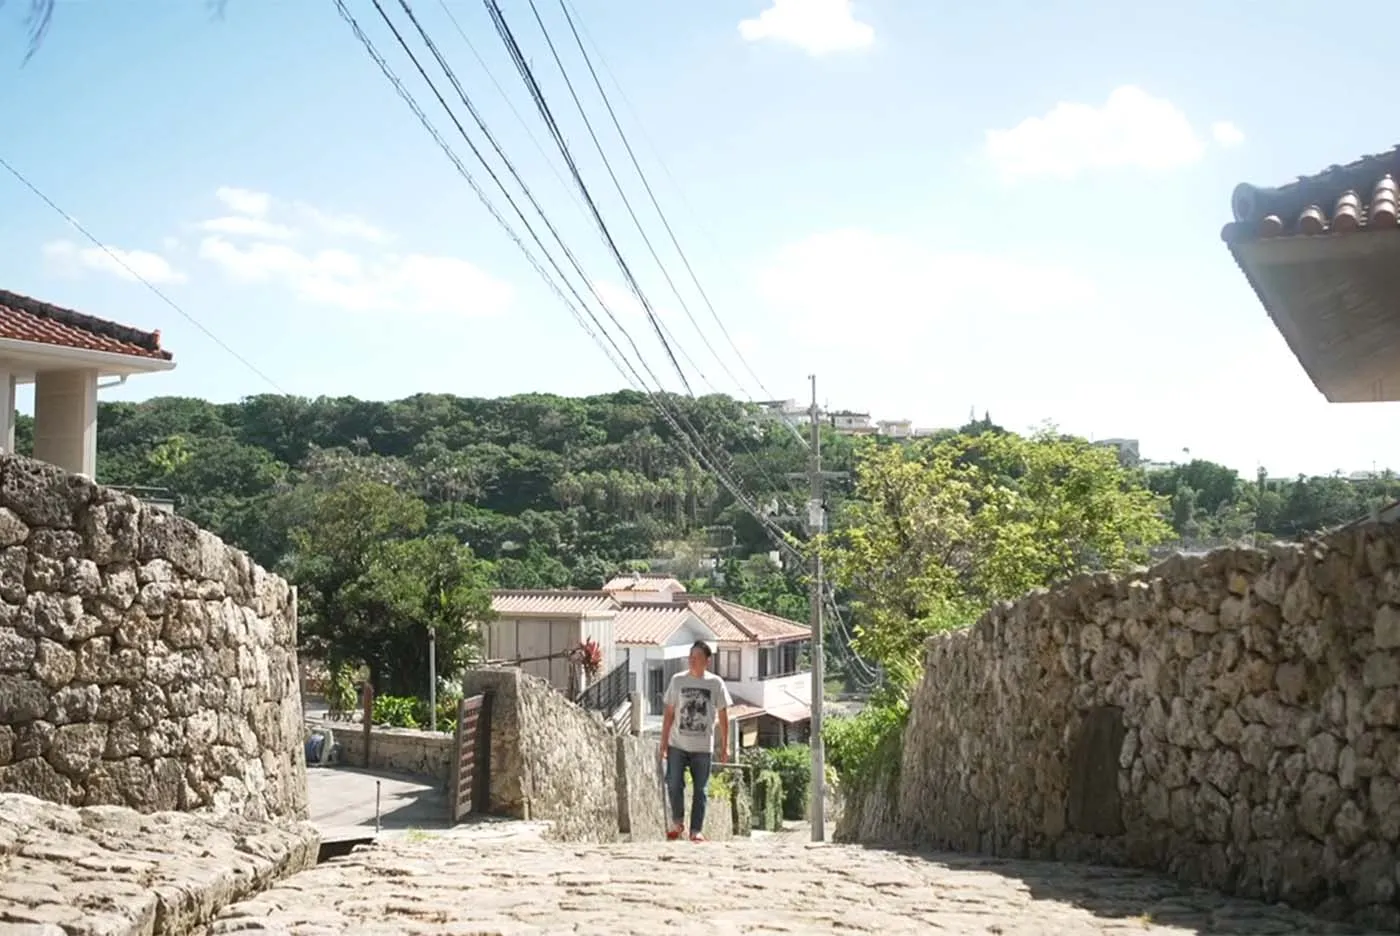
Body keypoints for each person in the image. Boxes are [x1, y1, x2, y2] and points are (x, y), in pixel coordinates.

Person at [659, 640, 732, 842]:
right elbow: (669, 714)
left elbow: (723, 716)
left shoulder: (716, 683)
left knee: (701, 790)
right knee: (673, 783)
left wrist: (725, 746)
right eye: (690, 657)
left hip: (703, 747)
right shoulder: (677, 680)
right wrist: (663, 742)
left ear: (707, 661)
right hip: (677, 744)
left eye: (697, 657)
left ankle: (696, 831)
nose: (692, 661)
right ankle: (677, 822)